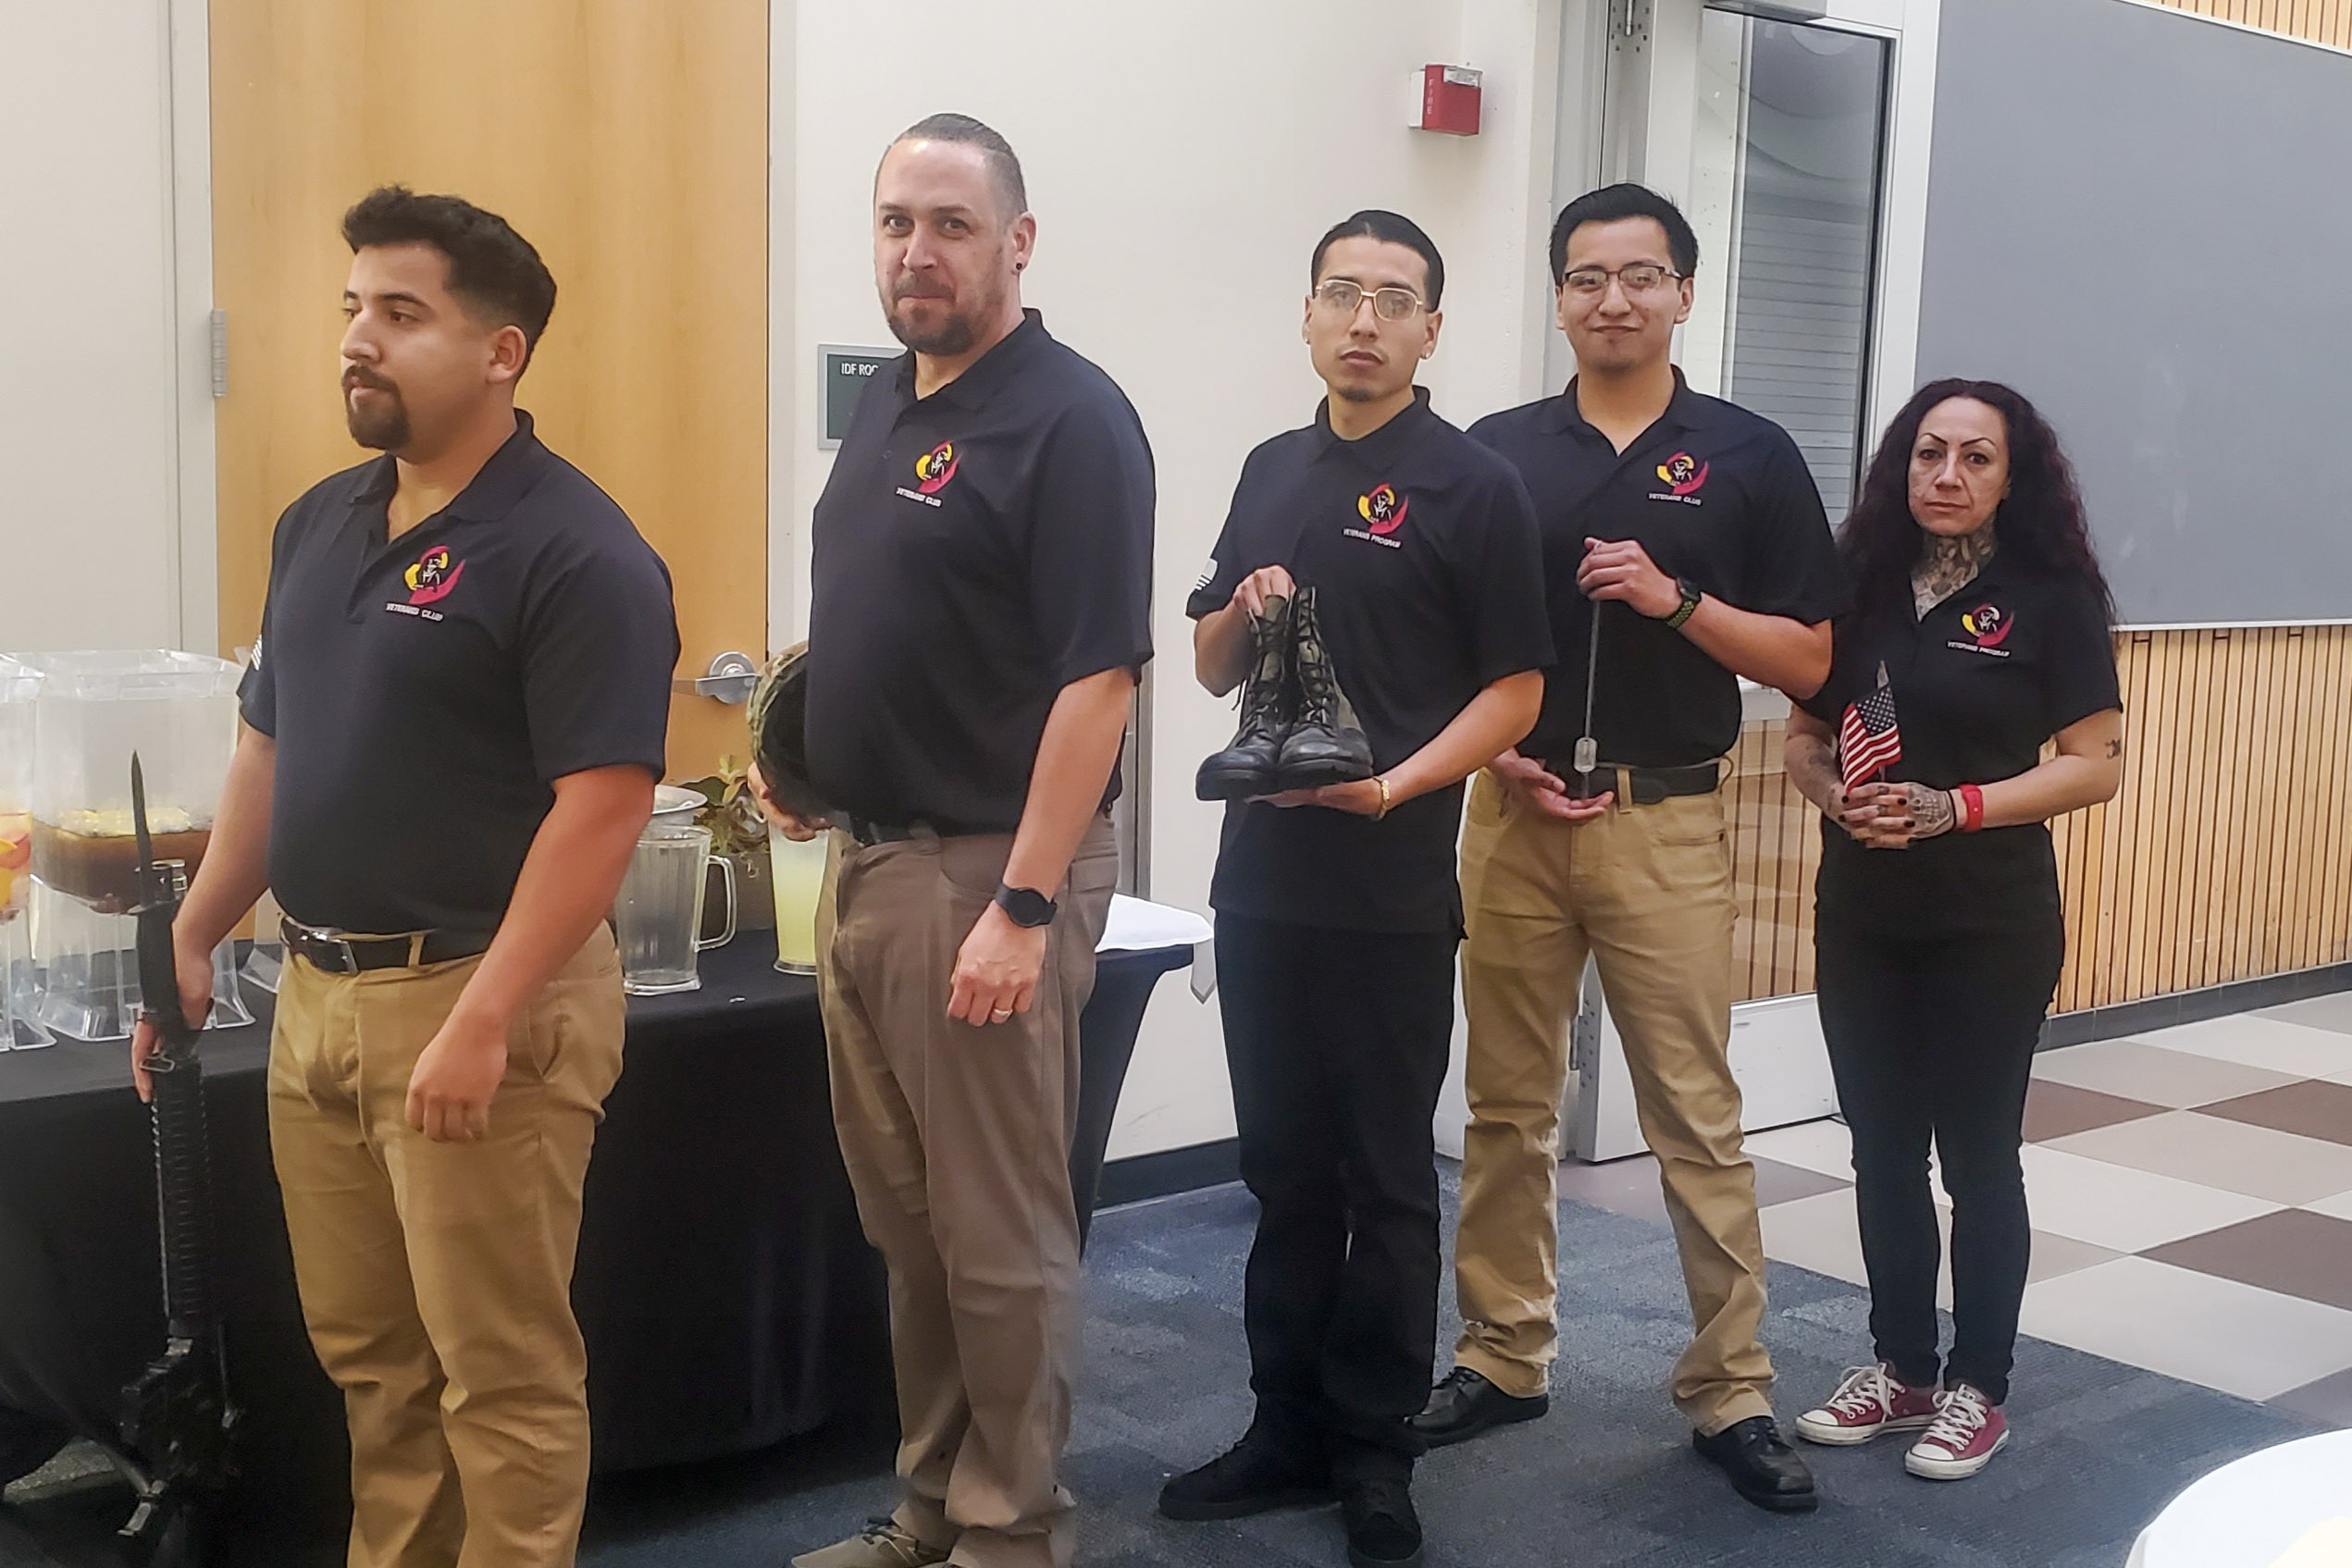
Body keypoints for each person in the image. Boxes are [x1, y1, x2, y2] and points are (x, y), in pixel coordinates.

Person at [136, 186, 679, 1568]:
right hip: (310, 995)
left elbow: (604, 807)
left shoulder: (579, 549)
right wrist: (200, 933)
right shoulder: (320, 522)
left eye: (400, 313)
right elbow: (269, 744)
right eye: (349, 310)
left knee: (497, 1374)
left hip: (475, 999)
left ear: (501, 352)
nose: (355, 342)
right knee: (372, 1364)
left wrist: (487, 1014)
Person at [752, 115, 1154, 1568]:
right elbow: (908, 615)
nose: (915, 251)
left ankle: (1009, 1530)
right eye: (893, 222)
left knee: (997, 1240)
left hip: (987, 874)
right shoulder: (893, 404)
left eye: (951, 224)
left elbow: (1096, 678)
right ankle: (930, 1504)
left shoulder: (1071, 418)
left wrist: (1027, 901)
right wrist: (810, 756)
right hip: (866, 867)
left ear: (1018, 243)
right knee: (909, 1234)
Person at [1417, 183, 1847, 1514]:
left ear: (1681, 294)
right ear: (1556, 296)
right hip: (1514, 818)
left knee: (1695, 1118)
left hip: (1667, 819)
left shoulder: (1748, 454)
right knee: (1501, 1104)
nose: (1613, 297)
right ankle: (1501, 1350)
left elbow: (1812, 655)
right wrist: (1496, 755)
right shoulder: (1489, 452)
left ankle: (1730, 1383)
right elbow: (1437, 650)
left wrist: (1678, 599)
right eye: (1587, 276)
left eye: (1640, 275)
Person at [1160, 210, 1551, 1568]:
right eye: (1343, 293)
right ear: (1310, 314)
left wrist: (1393, 788)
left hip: (1388, 887)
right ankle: (1282, 1424)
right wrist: (1243, 609)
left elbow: (1517, 687)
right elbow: (1208, 663)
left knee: (1385, 1177)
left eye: (1394, 298)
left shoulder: (1472, 482)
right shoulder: (1271, 467)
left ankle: (1373, 1450)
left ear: (1430, 328)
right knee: (1282, 1171)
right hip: (1262, 883)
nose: (1364, 319)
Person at [1785, 381, 2123, 1480]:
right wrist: (1837, 798)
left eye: (1975, 458)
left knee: (1978, 1161)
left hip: (1991, 920)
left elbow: (2094, 765)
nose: (1947, 475)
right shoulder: (1857, 585)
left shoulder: (2054, 598)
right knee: (1879, 1152)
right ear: (1902, 464)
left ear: (2011, 477)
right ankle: (1903, 1368)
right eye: (1929, 453)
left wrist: (1954, 806)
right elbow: (1803, 734)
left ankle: (1981, 1386)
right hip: (1864, 916)